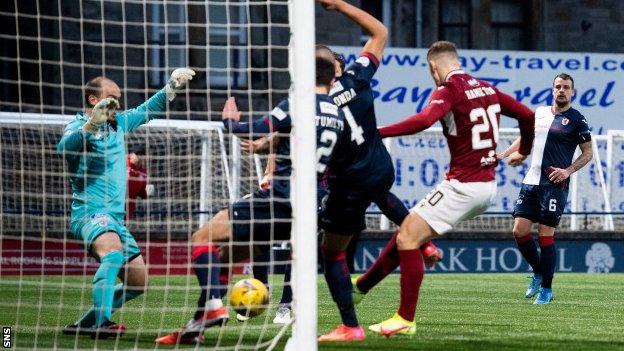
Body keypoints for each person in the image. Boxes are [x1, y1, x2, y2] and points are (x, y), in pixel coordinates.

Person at [155, 55, 346, 345]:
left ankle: (213, 309)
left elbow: (249, 128)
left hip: (279, 197)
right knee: (226, 257)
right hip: (309, 207)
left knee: (201, 239)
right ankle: (197, 326)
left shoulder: (298, 103)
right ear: (333, 79)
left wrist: (229, 119)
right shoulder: (339, 114)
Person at [367, 40, 535, 337]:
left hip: (464, 185)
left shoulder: (449, 90)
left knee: (407, 237)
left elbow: (423, 120)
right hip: (487, 186)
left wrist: (376, 132)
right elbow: (527, 115)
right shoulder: (487, 88)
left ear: (434, 66)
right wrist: (525, 149)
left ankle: (405, 319)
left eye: (429, 70)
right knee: (409, 229)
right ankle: (361, 288)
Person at [316, 0, 440, 342]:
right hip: (381, 169)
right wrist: (340, 5)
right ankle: (420, 244)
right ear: (335, 70)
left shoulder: (310, 105)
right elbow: (380, 32)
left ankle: (349, 325)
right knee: (381, 195)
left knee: (332, 252)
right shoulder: (357, 76)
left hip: (349, 182)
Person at [57, 69, 195, 338]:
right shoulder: (77, 126)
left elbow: (147, 110)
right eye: (111, 98)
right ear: (93, 99)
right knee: (113, 253)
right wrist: (91, 125)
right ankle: (102, 323)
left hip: (115, 220)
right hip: (89, 214)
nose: (117, 104)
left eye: (119, 99)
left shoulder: (119, 123)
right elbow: (64, 149)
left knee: (138, 284)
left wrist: (171, 88)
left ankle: (86, 323)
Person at [498, 73, 592, 305]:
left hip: (554, 185)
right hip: (530, 181)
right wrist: (502, 155)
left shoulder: (578, 120)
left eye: (566, 87)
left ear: (572, 92)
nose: (562, 90)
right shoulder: (539, 113)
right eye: (558, 86)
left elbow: (588, 153)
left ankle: (547, 290)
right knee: (519, 231)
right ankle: (539, 272)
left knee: (545, 235)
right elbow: (524, 139)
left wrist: (568, 171)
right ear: (552, 90)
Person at [126, 146, 154, 221]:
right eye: (136, 154)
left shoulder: (143, 173)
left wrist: (148, 192)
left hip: (129, 208)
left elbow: (143, 195)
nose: (139, 157)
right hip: (115, 204)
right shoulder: (122, 165)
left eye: (141, 155)